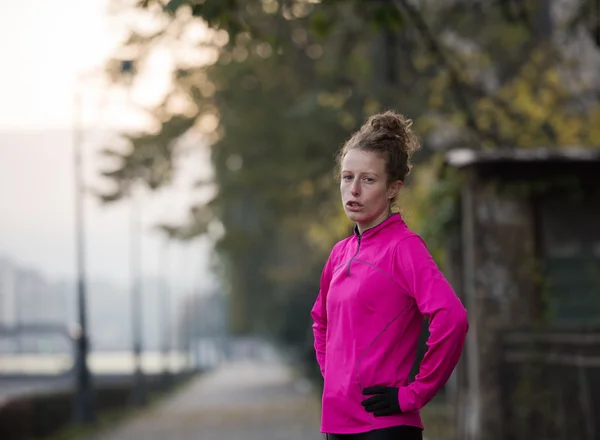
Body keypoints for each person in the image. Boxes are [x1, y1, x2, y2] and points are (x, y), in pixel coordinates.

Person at [310, 110, 469, 440]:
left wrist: (414, 394)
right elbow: (320, 320)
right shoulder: (340, 253)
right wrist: (335, 378)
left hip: (384, 427)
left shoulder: (404, 247)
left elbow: (452, 318)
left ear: (393, 188)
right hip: (336, 424)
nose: (353, 190)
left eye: (368, 180)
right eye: (347, 177)